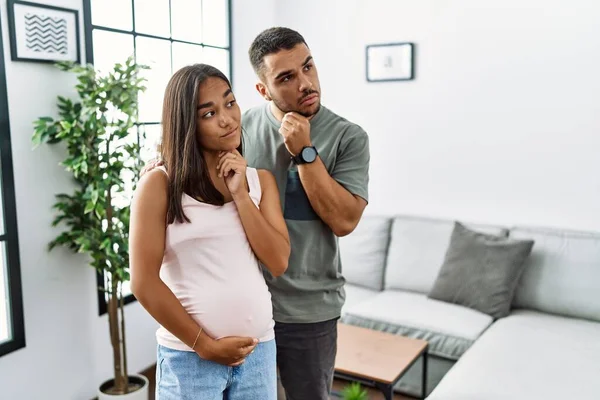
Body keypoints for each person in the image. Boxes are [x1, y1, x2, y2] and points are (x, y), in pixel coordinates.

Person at [129, 64, 290, 400]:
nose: (227, 119)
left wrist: (241, 195)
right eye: (209, 113)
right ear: (187, 122)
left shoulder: (260, 182)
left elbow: (278, 261)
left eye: (230, 103)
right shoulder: (159, 184)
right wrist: (206, 346)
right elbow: (143, 282)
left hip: (258, 352)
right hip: (190, 358)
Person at [243, 27, 370, 400]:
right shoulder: (241, 129)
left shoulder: (348, 136)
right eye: (286, 77)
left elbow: (345, 221)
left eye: (308, 67)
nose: (305, 83)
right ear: (263, 90)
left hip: (310, 312)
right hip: (248, 303)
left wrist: (305, 152)